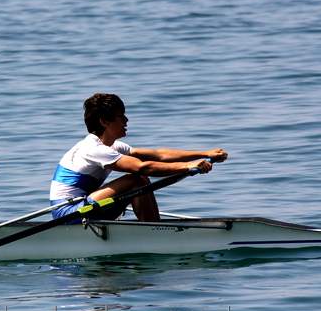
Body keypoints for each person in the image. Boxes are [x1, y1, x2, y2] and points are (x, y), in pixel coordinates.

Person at [50, 93, 227, 223]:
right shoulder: (93, 149)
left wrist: (205, 153)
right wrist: (188, 166)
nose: (126, 120)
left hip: (85, 205)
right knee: (136, 178)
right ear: (104, 122)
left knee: (139, 178)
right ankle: (153, 230)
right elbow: (143, 167)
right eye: (120, 116)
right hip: (69, 214)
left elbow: (160, 155)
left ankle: (153, 227)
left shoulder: (112, 147)